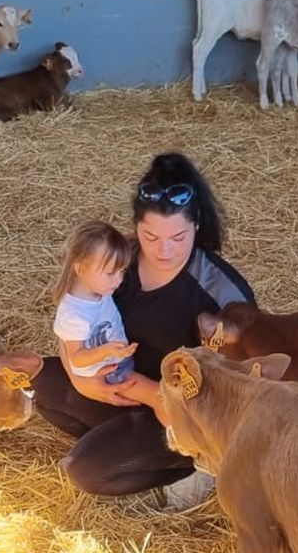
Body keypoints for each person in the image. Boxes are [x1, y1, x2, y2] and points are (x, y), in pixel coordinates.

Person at [32, 152, 255, 509]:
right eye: (150, 235)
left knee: (84, 470)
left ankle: (193, 467)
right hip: (121, 383)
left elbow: (231, 391)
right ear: (136, 226)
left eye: (178, 237)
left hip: (178, 410)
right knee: (39, 380)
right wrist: (78, 376)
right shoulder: (118, 260)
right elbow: (74, 318)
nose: (163, 250)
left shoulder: (223, 295)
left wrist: (151, 393)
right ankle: (123, 443)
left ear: (196, 225)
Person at [51, 221, 161, 408]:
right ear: (80, 269)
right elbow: (76, 357)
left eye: (122, 271)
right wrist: (108, 350)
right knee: (159, 398)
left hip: (116, 357)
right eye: (111, 273)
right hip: (108, 371)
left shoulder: (98, 289)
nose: (119, 280)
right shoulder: (75, 315)